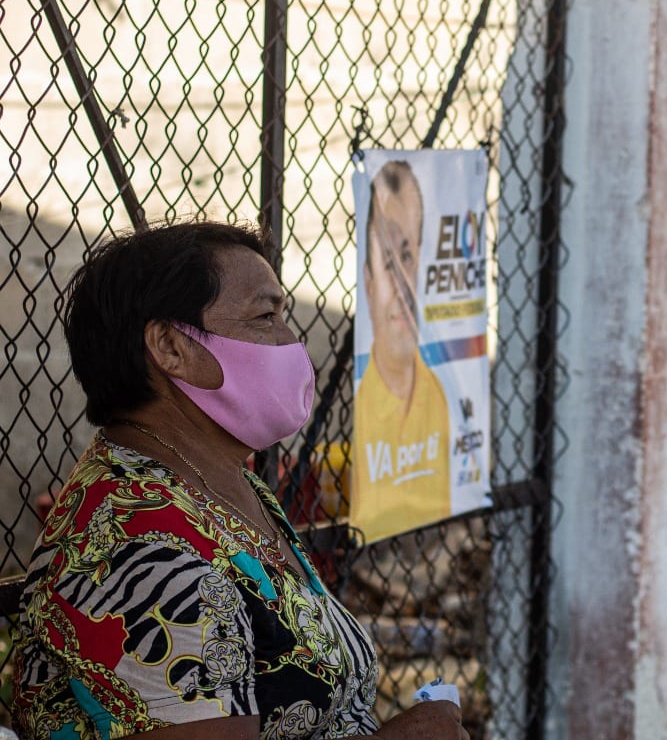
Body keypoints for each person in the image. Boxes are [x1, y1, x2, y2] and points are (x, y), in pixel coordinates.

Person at [12, 222, 467, 739]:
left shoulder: (216, 482)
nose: (290, 342)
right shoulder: (138, 543)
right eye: (265, 316)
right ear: (169, 346)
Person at [352, 161, 453, 537]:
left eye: (407, 257)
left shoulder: (439, 398)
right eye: (386, 260)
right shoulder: (362, 406)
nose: (402, 288)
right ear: (368, 280)